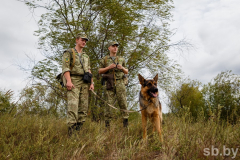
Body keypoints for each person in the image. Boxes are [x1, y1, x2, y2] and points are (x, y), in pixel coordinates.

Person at [62, 33, 94, 136]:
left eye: (85, 41)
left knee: (84, 108)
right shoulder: (69, 53)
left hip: (85, 82)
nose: (84, 42)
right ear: (77, 40)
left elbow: (89, 69)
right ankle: (71, 133)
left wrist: (91, 82)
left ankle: (78, 132)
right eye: (82, 40)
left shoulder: (86, 56)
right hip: (73, 80)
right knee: (73, 106)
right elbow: (65, 68)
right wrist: (69, 81)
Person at [98, 41, 129, 128]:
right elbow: (99, 71)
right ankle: (107, 126)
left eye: (116, 46)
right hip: (109, 83)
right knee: (109, 105)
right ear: (109, 48)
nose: (115, 48)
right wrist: (108, 67)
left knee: (123, 103)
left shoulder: (121, 59)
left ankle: (125, 124)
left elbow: (126, 71)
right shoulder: (104, 59)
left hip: (120, 83)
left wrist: (121, 67)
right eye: (113, 46)